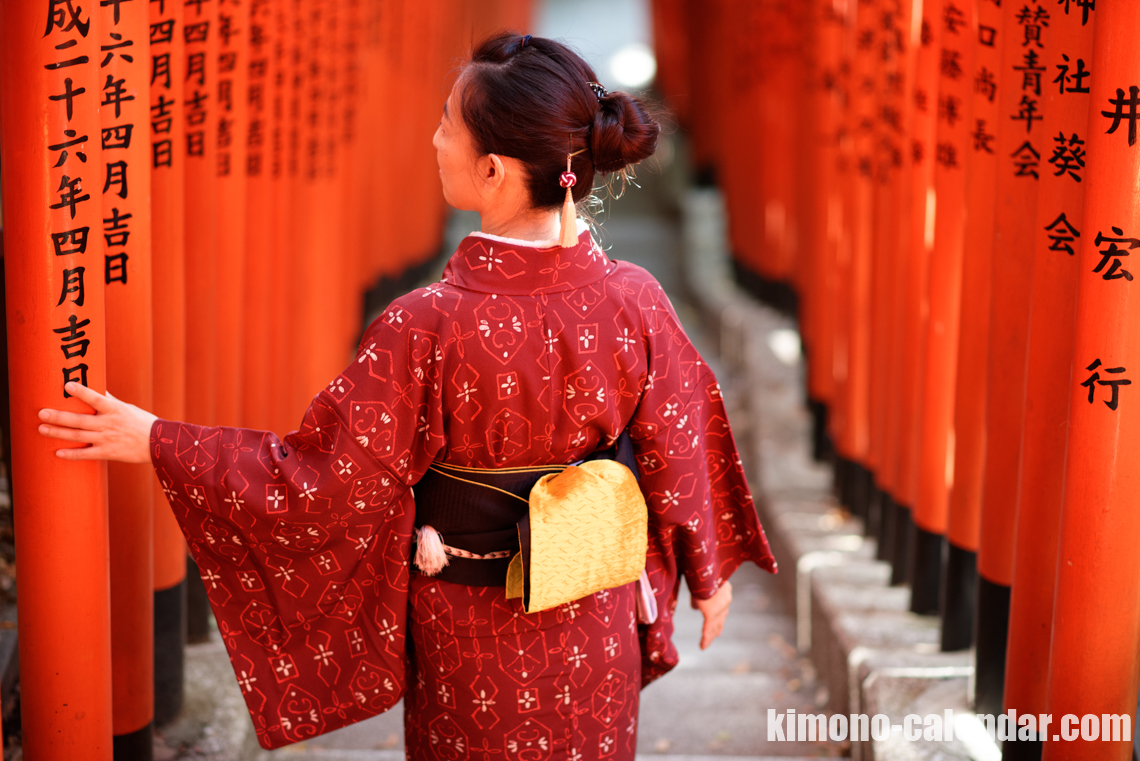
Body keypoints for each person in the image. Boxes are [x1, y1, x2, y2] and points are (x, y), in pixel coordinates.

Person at [38, 32, 775, 760]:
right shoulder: (634, 299)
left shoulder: (425, 322)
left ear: (492, 171)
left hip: (468, 624)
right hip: (595, 613)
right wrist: (707, 577)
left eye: (447, 125)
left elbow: (323, 478)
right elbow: (681, 440)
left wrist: (160, 441)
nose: (434, 140)